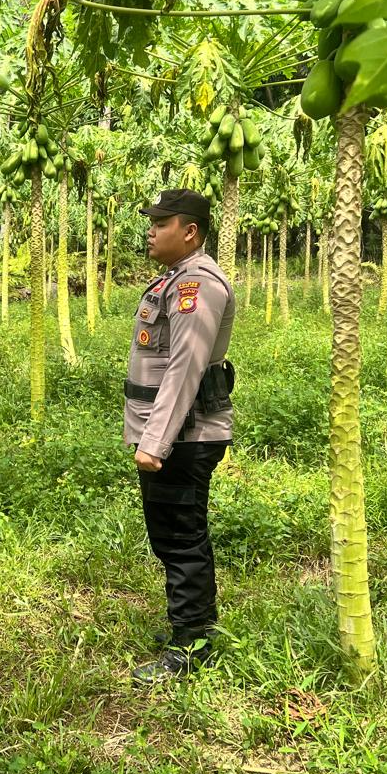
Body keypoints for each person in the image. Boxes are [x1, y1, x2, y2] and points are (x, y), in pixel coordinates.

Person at [123, 189, 235, 686]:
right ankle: (191, 627)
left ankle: (191, 645)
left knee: (180, 536)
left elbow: (185, 367)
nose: (151, 229)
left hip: (184, 437)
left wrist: (155, 441)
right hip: (174, 435)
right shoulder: (174, 279)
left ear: (190, 231)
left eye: (162, 222)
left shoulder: (197, 285)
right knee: (172, 532)